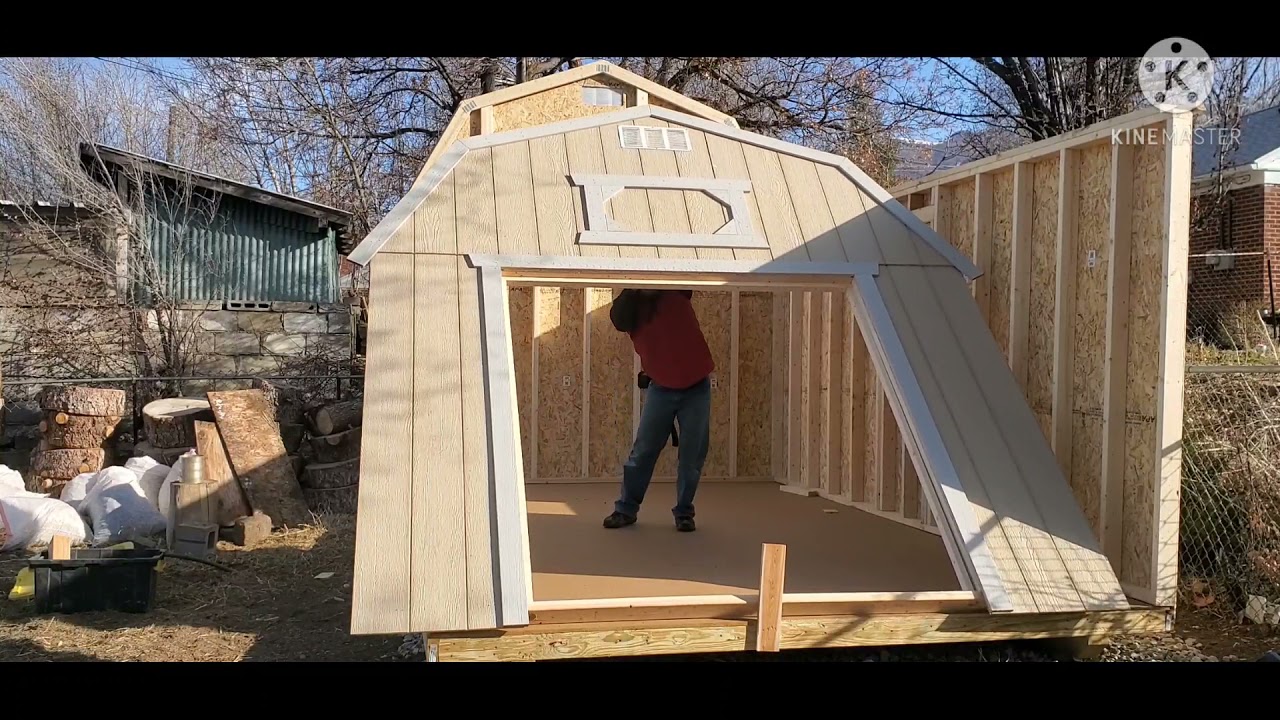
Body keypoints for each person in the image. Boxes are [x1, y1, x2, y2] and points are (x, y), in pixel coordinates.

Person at [602, 288, 714, 532]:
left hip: (696, 385)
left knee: (692, 456)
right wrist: (638, 290)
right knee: (643, 452)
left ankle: (684, 512)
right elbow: (619, 320)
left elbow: (683, 281)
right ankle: (625, 509)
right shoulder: (631, 309)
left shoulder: (675, 290)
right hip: (661, 387)